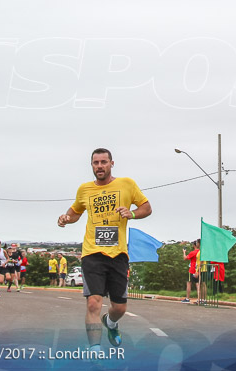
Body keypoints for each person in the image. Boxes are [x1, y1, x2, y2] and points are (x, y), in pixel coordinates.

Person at [57, 148, 151, 352]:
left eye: (103, 162)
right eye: (95, 163)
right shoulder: (84, 190)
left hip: (118, 254)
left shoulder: (127, 184)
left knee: (119, 308)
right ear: (91, 165)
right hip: (92, 253)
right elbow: (74, 212)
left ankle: (111, 322)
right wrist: (65, 218)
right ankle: (95, 350)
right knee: (93, 303)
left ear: (111, 163)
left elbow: (146, 207)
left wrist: (131, 214)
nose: (99, 166)